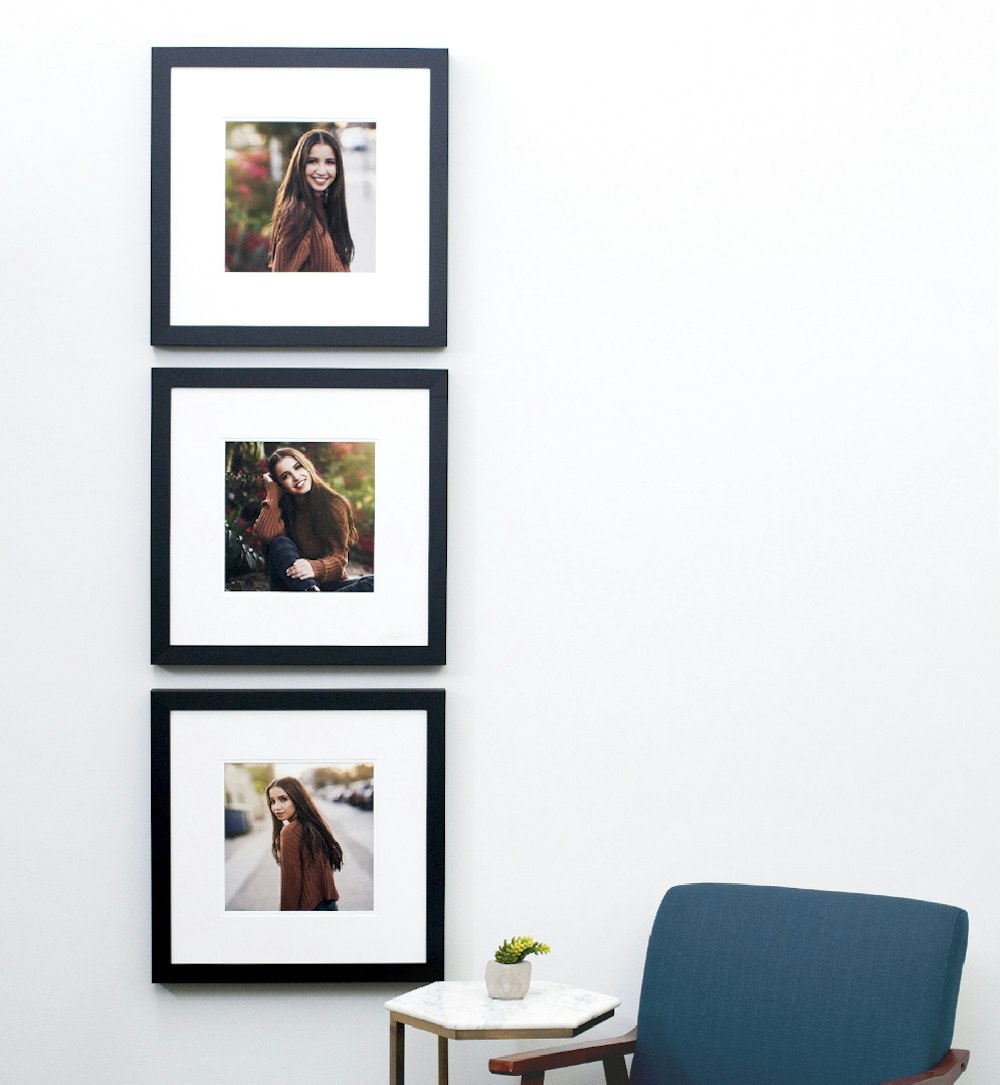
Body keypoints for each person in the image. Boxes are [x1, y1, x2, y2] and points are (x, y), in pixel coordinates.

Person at [252, 446, 373, 592]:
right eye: (285, 476)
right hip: (292, 585)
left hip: (327, 584)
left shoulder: (334, 504)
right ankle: (311, 594)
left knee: (374, 582)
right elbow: (265, 534)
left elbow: (338, 560)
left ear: (307, 465)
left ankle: (313, 597)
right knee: (279, 542)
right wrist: (272, 492)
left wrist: (313, 568)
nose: (296, 477)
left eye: (298, 467)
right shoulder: (282, 508)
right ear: (280, 484)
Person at [267, 128, 354, 272]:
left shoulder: (324, 206)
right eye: (312, 161)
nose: (321, 170)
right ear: (300, 165)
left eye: (329, 162)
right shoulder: (298, 213)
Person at [266, 776, 344, 911]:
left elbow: (291, 885)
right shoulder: (313, 827)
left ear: (297, 799)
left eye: (283, 799)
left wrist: (284, 916)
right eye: (272, 801)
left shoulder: (290, 831)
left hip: (310, 909)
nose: (276, 807)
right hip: (330, 906)